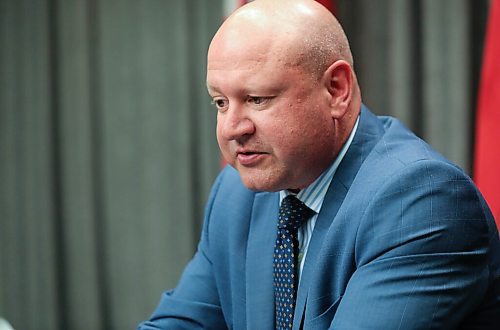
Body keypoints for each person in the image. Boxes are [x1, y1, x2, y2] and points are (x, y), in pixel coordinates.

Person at [139, 0, 500, 328]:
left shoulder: (422, 202)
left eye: (257, 99)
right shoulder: (236, 194)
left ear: (336, 90)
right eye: (220, 102)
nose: (232, 128)